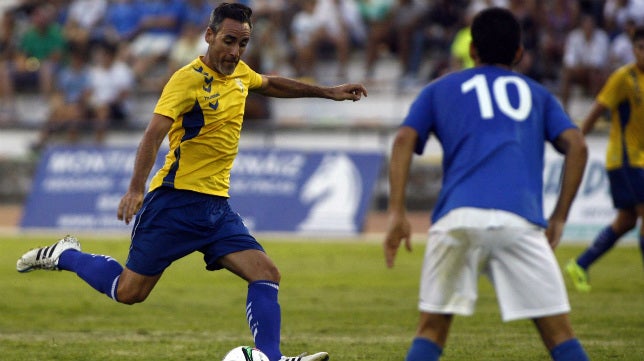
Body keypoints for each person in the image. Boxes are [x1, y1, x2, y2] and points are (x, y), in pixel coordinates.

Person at [16, 3, 367, 361]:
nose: (235, 51)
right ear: (209, 36)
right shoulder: (187, 79)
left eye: (242, 44)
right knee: (129, 292)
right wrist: (136, 188)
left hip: (216, 209)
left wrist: (327, 91)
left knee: (266, 273)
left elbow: (270, 82)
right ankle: (66, 254)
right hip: (174, 203)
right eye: (229, 41)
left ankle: (271, 358)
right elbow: (153, 134)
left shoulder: (240, 74)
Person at [383, 7, 590, 361]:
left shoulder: (440, 88)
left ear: (472, 49)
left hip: (457, 217)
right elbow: (577, 146)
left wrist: (397, 213)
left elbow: (404, 139)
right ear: (520, 54)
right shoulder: (538, 94)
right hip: (519, 220)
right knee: (560, 336)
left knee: (431, 329)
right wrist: (559, 217)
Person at [565, 26, 644, 293]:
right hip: (624, 159)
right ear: (633, 50)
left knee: (626, 221)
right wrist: (578, 140)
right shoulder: (623, 78)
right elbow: (598, 109)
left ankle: (580, 263)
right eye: (640, 48)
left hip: (639, 160)